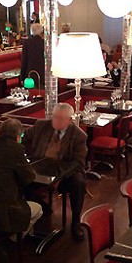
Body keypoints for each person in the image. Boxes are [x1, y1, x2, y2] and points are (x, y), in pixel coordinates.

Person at [23, 103, 88, 241]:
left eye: (60, 118)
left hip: (64, 172)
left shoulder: (79, 136)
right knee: (19, 177)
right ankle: (41, 209)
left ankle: (76, 222)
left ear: (69, 120)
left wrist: (59, 177)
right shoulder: (41, 125)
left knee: (78, 183)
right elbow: (22, 136)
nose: (56, 121)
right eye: (54, 117)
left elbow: (78, 163)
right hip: (39, 167)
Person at [20, 23, 45, 88]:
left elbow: (24, 61)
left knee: (30, 92)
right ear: (41, 32)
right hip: (43, 74)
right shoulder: (44, 43)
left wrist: (22, 77)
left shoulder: (27, 43)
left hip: (30, 74)